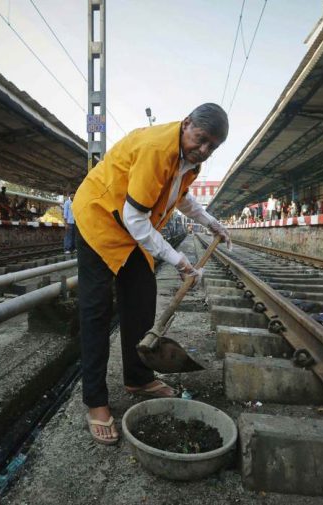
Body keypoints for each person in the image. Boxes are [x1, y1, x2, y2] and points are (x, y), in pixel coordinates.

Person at [72, 103, 231, 445]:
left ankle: (138, 377)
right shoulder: (157, 149)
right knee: (96, 312)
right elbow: (136, 218)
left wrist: (212, 223)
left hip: (130, 231)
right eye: (200, 140)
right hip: (100, 221)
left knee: (141, 303)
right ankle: (96, 401)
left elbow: (181, 199)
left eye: (211, 147)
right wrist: (178, 259)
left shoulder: (189, 161)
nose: (203, 150)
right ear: (186, 123)